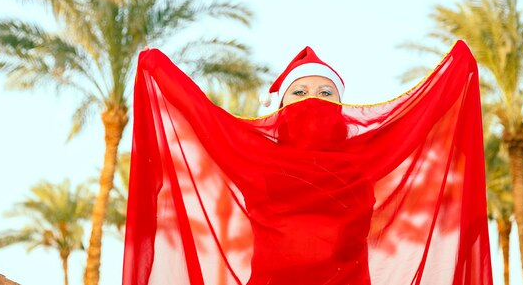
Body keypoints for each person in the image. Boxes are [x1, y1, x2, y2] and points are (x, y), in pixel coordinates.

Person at [123, 41, 493, 285]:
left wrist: (459, 66)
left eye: (324, 93)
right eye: (299, 92)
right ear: (282, 107)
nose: (311, 100)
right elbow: (201, 114)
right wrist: (155, 67)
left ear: (341, 107)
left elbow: (422, 116)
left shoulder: (366, 156)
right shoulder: (254, 155)